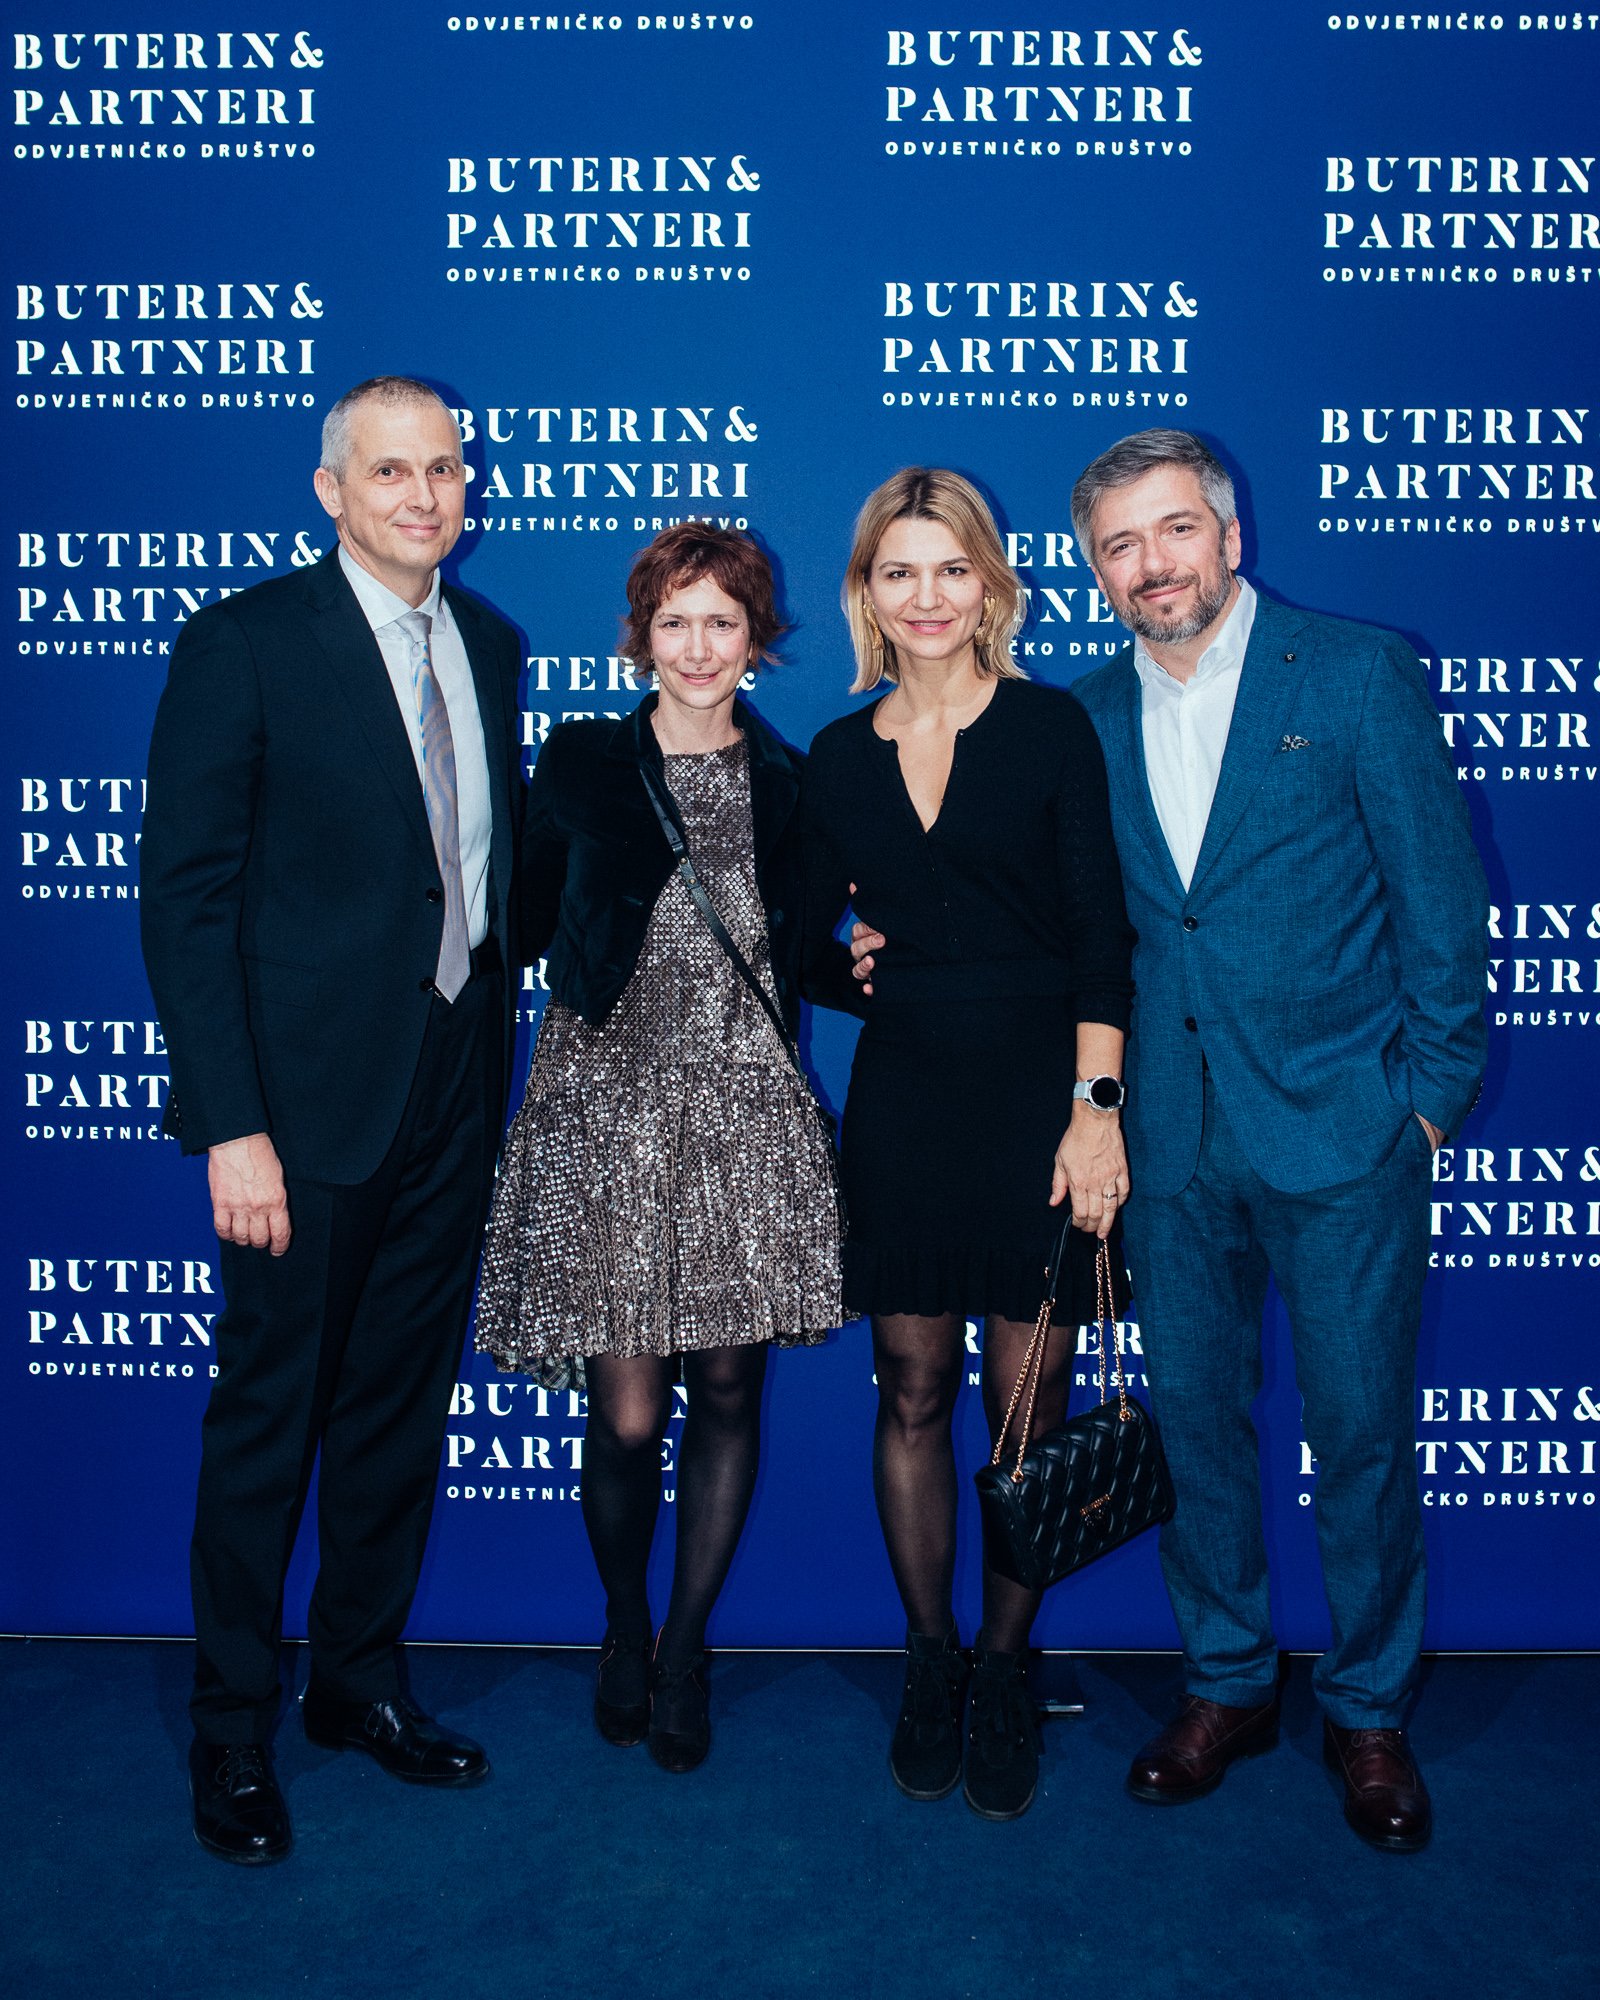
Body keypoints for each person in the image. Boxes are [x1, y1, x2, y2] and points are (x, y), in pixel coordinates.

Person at [1070, 428, 1489, 1853]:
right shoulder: (1085, 718)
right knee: (1195, 1427)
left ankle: (1367, 1710)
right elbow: (1089, 932)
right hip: (1173, 1148)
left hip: (1344, 1134)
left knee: (1363, 1433)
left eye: (1173, 531)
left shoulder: (1357, 671)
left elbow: (1442, 900)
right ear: (1096, 570)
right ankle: (1230, 1681)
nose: (1152, 565)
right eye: (1120, 546)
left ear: (1228, 538)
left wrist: (1421, 1104)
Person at [140, 376, 525, 1865]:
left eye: (443, 467)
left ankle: (357, 1687)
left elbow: (476, 880)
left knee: (393, 1416)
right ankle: (231, 1730)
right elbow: (186, 901)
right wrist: (229, 1124)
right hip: (296, 1115)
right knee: (267, 1423)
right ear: (330, 491)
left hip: (448, 1086)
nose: (422, 495)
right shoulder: (243, 644)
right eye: (388, 472)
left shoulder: (485, 643)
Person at [475, 522, 848, 1773]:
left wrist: (873, 969)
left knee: (731, 1391)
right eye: (674, 621)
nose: (697, 647)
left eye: (722, 623)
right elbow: (515, 921)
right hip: (605, 1108)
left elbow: (795, 955)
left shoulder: (789, 783)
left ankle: (685, 1646)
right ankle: (624, 1624)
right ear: (641, 633)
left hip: (743, 1109)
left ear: (757, 641)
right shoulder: (582, 760)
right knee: (628, 1412)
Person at [802, 468, 1135, 1821]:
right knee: (912, 1392)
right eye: (901, 573)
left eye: (951, 570)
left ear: (991, 584)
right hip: (907, 1104)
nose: (928, 597)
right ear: (867, 596)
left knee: (1028, 1407)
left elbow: (1103, 936)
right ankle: (928, 1659)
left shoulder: (1051, 730)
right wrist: (853, 969)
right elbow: (785, 934)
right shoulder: (836, 754)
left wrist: (1096, 1111)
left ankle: (1006, 1662)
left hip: (1039, 1102)